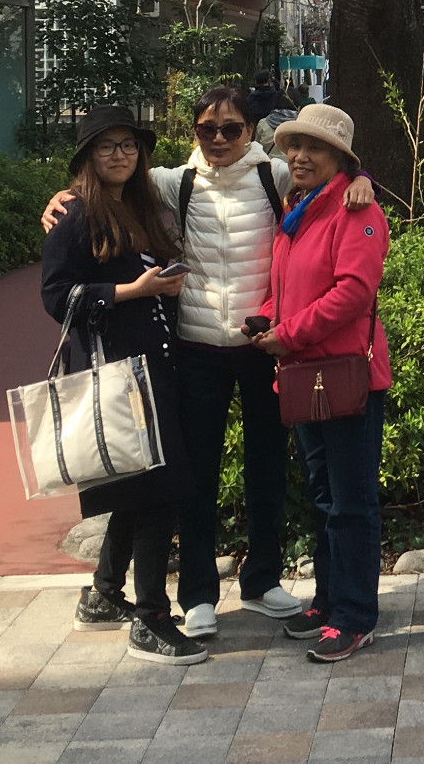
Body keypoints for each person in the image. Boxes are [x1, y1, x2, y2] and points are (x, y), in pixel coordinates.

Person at [42, 89, 375, 639]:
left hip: (264, 346)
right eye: (207, 129)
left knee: (266, 468)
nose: (219, 139)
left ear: (252, 131)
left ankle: (262, 580)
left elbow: (331, 169)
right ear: (194, 133)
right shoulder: (176, 182)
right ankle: (197, 592)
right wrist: (61, 197)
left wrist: (367, 178)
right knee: (196, 475)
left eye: (232, 128)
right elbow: (105, 186)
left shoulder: (274, 174)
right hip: (195, 348)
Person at [38, 106, 205, 665]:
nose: (119, 155)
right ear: (87, 157)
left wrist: (165, 288)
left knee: (142, 490)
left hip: (157, 370)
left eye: (128, 145)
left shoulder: (142, 208)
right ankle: (152, 618)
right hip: (117, 376)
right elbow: (57, 298)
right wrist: (131, 291)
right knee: (160, 494)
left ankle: (106, 595)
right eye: (106, 147)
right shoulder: (75, 215)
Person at [251, 103, 393, 664]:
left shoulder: (358, 212)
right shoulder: (298, 210)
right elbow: (286, 286)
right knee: (325, 495)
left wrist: (288, 334)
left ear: (341, 160)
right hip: (305, 374)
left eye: (315, 149)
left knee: (352, 501)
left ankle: (356, 615)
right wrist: (267, 318)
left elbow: (354, 293)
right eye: (294, 147)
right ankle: (332, 599)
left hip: (342, 376)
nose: (300, 157)